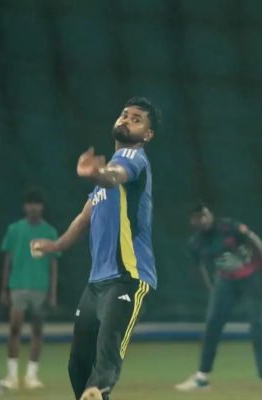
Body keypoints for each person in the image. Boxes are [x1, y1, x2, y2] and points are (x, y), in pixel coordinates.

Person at [31, 97, 160, 400]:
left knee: (106, 353)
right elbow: (83, 218)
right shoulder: (105, 177)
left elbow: (115, 176)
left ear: (147, 134)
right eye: (124, 114)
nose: (127, 120)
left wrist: (98, 174)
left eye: (136, 119)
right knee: (78, 365)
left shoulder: (133, 158)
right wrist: (56, 245)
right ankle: (93, 393)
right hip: (96, 283)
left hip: (128, 276)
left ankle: (98, 390)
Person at [176, 203, 262, 392]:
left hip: (251, 277)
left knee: (258, 324)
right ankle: (202, 378)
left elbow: (256, 243)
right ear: (192, 222)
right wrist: (211, 288)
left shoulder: (228, 226)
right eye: (198, 217)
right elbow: (199, 267)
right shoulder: (196, 242)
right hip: (225, 281)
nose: (203, 220)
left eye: (204, 215)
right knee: (212, 324)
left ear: (210, 214)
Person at [0, 188, 59, 390]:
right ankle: (11, 376)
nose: (33, 208)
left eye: (37, 204)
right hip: (17, 286)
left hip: (40, 287)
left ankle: (31, 376)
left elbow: (53, 265)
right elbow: (7, 261)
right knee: (14, 329)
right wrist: (4, 289)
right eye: (30, 204)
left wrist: (52, 293)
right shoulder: (14, 229)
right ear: (25, 207)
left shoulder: (50, 232)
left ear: (42, 207)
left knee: (37, 331)